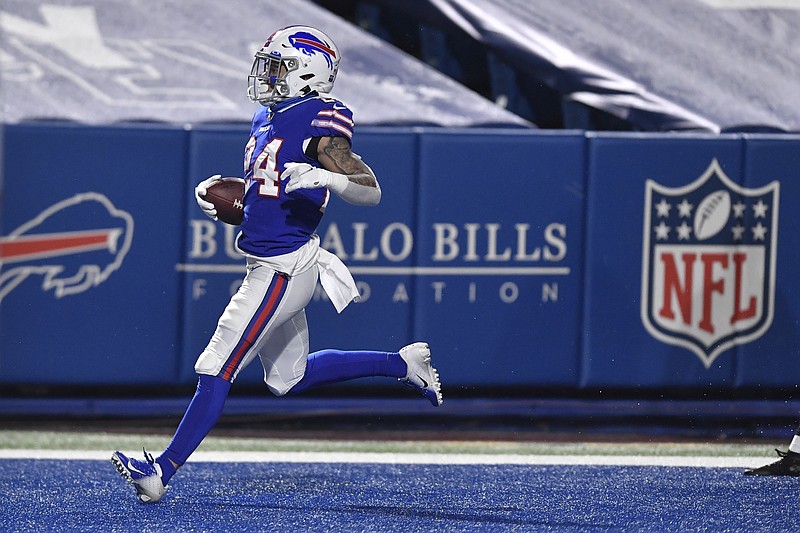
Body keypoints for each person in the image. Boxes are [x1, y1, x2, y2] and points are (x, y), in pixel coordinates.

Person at [111, 25, 443, 503]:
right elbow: (270, 199)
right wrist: (233, 206)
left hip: (283, 268)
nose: (268, 74)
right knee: (289, 378)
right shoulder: (265, 118)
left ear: (308, 74)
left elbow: (372, 191)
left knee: (216, 365)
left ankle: (160, 470)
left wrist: (327, 176)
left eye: (279, 65)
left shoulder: (319, 119)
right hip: (271, 261)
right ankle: (402, 364)